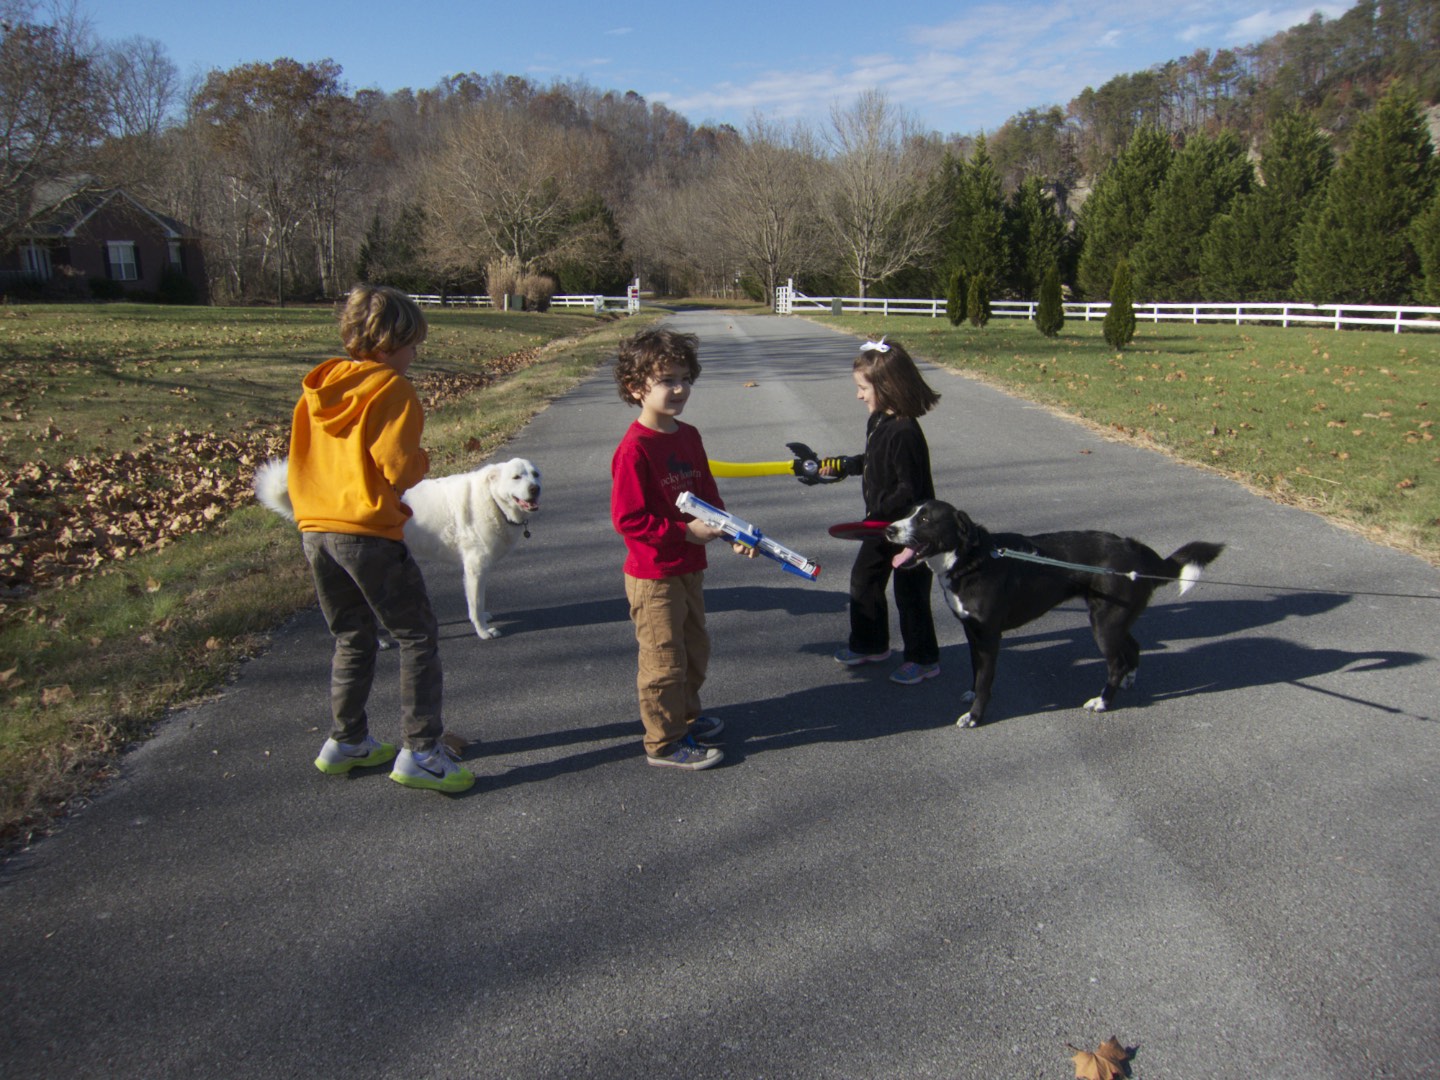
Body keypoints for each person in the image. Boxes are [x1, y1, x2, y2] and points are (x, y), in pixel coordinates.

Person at [287, 284, 473, 793]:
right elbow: (399, 469)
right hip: (367, 532)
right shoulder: (392, 389)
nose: (415, 356)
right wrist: (423, 461)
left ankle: (347, 740)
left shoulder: (320, 389)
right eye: (413, 345)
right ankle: (422, 751)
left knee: (352, 635)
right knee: (417, 635)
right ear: (391, 343)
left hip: (316, 530)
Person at [610, 327, 747, 770]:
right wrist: (686, 533)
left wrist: (731, 531)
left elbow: (707, 495)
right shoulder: (634, 450)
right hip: (654, 575)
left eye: (685, 378)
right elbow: (628, 520)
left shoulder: (688, 435)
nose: (679, 389)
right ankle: (664, 742)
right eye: (666, 380)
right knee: (663, 661)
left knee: (694, 650)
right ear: (635, 387)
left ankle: (685, 717)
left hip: (689, 567)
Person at [827, 337, 943, 685]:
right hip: (882, 526)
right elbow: (875, 460)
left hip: (912, 532)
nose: (859, 395)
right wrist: (846, 465)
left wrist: (876, 516)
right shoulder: (879, 420)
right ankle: (871, 644)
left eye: (864, 388)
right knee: (865, 580)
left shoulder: (905, 432)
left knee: (911, 595)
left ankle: (923, 659)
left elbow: (908, 489)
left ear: (888, 386)